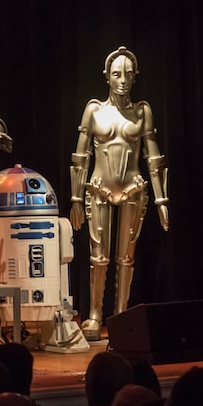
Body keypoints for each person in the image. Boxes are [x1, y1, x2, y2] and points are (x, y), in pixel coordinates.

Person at [69, 46, 169, 340]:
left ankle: (121, 314)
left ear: (134, 76)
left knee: (126, 257)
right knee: (98, 257)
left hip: (133, 188)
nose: (122, 80)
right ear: (107, 77)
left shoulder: (142, 111)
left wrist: (162, 199)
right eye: (116, 74)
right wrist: (75, 198)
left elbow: (154, 158)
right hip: (99, 187)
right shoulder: (94, 110)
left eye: (127, 74)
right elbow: (80, 157)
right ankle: (95, 315)